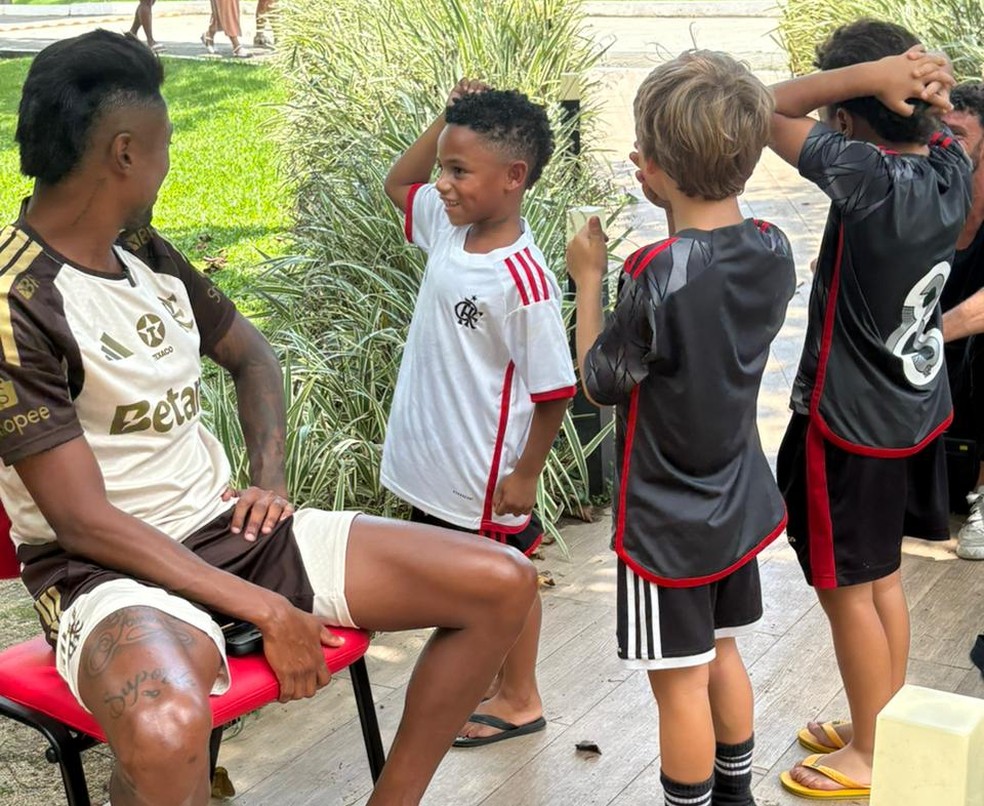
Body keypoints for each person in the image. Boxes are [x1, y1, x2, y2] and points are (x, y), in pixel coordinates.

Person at [3, 31, 539, 806]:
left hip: (230, 531)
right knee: (162, 729)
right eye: (164, 144)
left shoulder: (142, 251)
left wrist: (268, 481)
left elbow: (253, 356)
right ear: (124, 153)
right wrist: (265, 610)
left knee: (502, 581)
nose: (167, 160)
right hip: (106, 572)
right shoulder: (16, 299)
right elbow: (82, 523)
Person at [568, 50, 795, 806]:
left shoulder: (656, 269)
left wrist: (591, 280)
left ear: (649, 165)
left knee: (678, 685)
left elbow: (600, 384)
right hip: (735, 501)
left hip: (666, 520)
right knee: (722, 652)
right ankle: (737, 796)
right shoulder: (773, 247)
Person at [769, 20, 970, 799]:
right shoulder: (951, 165)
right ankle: (876, 719)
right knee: (881, 577)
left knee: (845, 585)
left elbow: (748, 108)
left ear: (848, 116)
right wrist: (918, 82)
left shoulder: (864, 175)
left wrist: (868, 77)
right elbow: (937, 123)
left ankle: (874, 756)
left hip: (846, 423)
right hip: (911, 410)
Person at [381, 82, 576, 747]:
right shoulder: (447, 223)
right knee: (479, 581)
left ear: (513, 178)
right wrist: (447, 115)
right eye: (444, 165)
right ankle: (496, 685)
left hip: (484, 477)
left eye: (459, 170)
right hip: (439, 460)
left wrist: (525, 477)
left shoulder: (522, 278)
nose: (440, 183)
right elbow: (395, 182)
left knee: (507, 579)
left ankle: (518, 696)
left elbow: (554, 391)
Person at [938, 82, 984, 561]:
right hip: (937, 362)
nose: (943, 144)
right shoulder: (924, 192)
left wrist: (927, 335)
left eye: (957, 134)